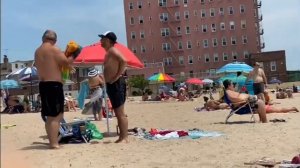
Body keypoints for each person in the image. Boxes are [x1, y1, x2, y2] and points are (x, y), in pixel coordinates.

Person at [34, 29, 80, 149]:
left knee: (49, 116)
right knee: (56, 116)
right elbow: (66, 63)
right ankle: (54, 144)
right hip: (53, 85)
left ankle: (52, 142)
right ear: (54, 40)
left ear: (43, 38)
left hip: (43, 84)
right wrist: (75, 54)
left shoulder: (37, 51)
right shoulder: (54, 49)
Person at [100, 31, 128, 143]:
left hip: (116, 84)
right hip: (111, 84)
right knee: (117, 112)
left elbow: (124, 61)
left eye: (102, 38)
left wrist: (116, 76)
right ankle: (122, 136)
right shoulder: (109, 52)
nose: (100, 41)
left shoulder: (112, 50)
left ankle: (124, 137)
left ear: (108, 40)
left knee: (120, 112)